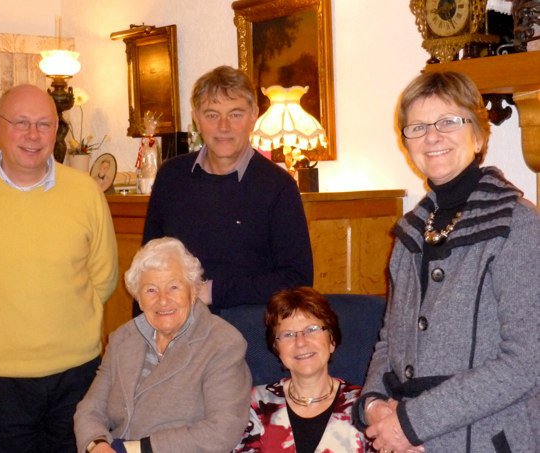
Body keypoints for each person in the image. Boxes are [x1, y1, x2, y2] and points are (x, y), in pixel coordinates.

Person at [352, 71, 540, 453]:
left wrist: (411, 425)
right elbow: (389, 342)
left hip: (491, 440)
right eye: (417, 127)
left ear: (480, 134)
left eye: (448, 121)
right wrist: (373, 407)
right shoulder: (409, 233)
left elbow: (526, 362)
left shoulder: (517, 224)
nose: (432, 137)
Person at [0, 84, 119, 452]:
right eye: (21, 122)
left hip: (77, 376)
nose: (33, 135)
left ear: (56, 130)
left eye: (44, 124)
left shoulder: (85, 192)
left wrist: (66, 325)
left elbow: (105, 276)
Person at [142, 65, 313, 310]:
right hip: (177, 331)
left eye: (235, 114)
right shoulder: (171, 177)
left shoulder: (278, 187)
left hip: (250, 333)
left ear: (253, 115)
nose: (224, 127)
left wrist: (213, 291)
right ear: (196, 118)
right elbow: (147, 267)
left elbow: (297, 279)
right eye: (212, 114)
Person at [74, 237, 252, 453]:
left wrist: (135, 449)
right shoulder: (123, 339)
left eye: (174, 287)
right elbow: (90, 409)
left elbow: (222, 431)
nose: (163, 300)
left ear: (193, 290)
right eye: (150, 290)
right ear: (138, 298)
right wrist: (96, 445)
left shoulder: (222, 343)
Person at [234, 287, 372, 452]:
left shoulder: (365, 405)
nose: (300, 342)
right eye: (288, 334)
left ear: (332, 341)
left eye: (311, 330)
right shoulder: (255, 404)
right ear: (277, 348)